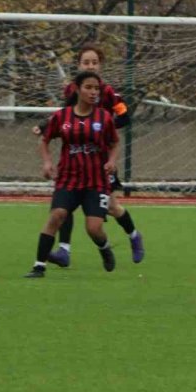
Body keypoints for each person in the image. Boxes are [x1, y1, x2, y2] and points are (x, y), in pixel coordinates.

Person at [36, 44, 144, 268]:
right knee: (66, 204)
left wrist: (101, 128)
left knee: (113, 207)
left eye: (94, 62)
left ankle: (134, 235)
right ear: (78, 65)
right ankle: (64, 249)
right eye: (86, 62)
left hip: (101, 160)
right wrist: (44, 125)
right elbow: (65, 113)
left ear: (101, 66)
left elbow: (125, 117)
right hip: (77, 162)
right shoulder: (73, 90)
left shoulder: (109, 93)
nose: (90, 65)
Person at [25, 70, 120, 278]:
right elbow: (44, 139)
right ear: (77, 89)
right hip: (68, 178)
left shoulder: (104, 118)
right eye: (88, 87)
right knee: (56, 216)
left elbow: (114, 142)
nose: (93, 92)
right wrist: (48, 162)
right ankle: (39, 266)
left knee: (94, 228)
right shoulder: (62, 116)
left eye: (97, 88)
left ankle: (105, 249)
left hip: (96, 182)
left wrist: (112, 161)